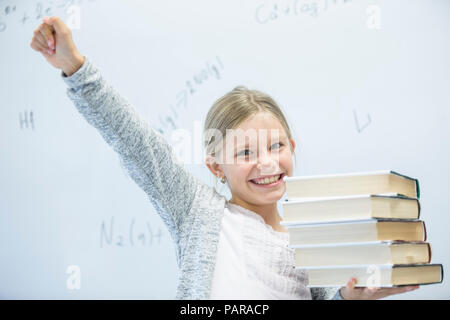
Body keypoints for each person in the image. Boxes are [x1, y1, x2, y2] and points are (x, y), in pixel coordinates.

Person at [30, 16, 420, 300]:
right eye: (246, 152)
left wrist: (348, 300)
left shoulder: (308, 241)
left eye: (276, 146)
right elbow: (136, 142)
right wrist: (75, 67)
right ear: (216, 166)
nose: (267, 163)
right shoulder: (197, 210)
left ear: (292, 148)